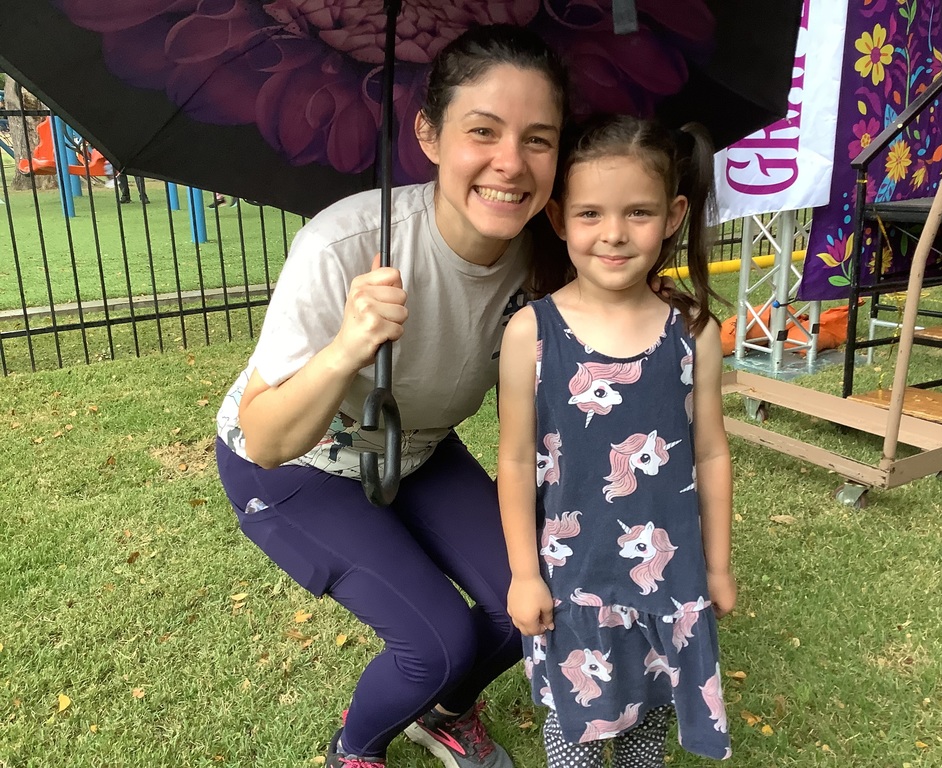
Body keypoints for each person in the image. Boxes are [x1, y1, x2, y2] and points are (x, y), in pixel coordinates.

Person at [215, 24, 571, 768]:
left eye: (539, 139)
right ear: (430, 134)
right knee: (437, 640)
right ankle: (359, 746)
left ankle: (441, 715)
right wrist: (348, 346)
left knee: (532, 598)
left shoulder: (546, 255)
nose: (512, 163)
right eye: (483, 131)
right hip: (295, 464)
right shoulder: (343, 245)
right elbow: (267, 436)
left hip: (416, 446)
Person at [496, 114, 736, 766]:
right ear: (557, 217)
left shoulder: (693, 332)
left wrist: (715, 566)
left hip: (668, 583)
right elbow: (517, 462)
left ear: (674, 214)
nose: (614, 233)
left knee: (647, 730)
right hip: (575, 580)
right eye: (591, 213)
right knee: (576, 727)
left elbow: (711, 453)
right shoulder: (532, 333)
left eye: (637, 212)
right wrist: (523, 574)